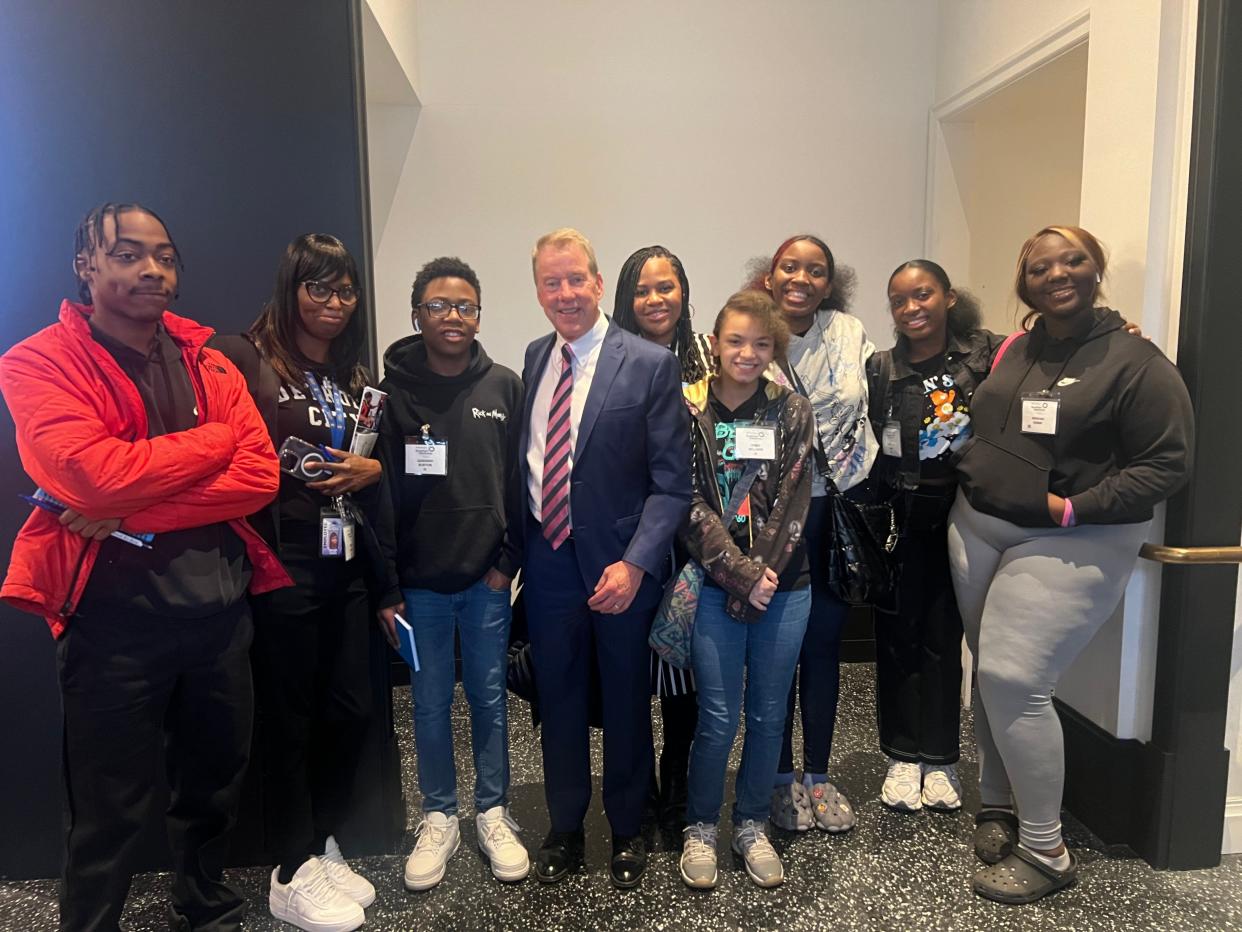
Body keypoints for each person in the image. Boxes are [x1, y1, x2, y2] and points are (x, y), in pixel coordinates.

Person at [0, 203, 287, 931]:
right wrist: (212, 443)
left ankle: (204, 905)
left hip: (219, 616)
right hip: (110, 626)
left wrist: (131, 510)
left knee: (214, 787)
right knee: (107, 809)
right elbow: (89, 478)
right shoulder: (37, 362)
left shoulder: (211, 360)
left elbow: (258, 477)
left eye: (163, 256)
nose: (152, 269)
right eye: (127, 254)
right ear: (85, 266)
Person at [947, 225, 1193, 904]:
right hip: (978, 524)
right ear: (1025, 282)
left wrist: (1073, 507)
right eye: (1040, 266)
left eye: (1072, 260)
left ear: (1096, 268)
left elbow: (1168, 465)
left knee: (1011, 675)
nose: (1057, 273)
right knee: (986, 668)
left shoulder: (1136, 360)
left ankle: (1045, 849)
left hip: (1069, 537)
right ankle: (997, 802)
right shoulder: (1018, 347)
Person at [215, 234, 396, 932]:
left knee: (347, 712)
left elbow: (375, 465)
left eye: (344, 290)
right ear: (290, 287)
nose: (333, 303)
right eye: (317, 288)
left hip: (345, 566)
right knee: (287, 721)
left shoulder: (354, 377)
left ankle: (321, 845)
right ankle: (288, 870)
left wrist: (374, 472)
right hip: (280, 568)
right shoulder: (246, 360)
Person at [519, 228, 690, 889]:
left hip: (622, 568)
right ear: (538, 291)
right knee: (556, 700)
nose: (565, 293)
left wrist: (638, 562)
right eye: (550, 282)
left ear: (596, 283)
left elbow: (671, 483)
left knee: (624, 699)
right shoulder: (535, 358)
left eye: (574, 279)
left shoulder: (647, 363)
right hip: (550, 563)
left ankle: (627, 826)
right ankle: (564, 826)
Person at [374, 256, 528, 890]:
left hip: (486, 582)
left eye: (465, 306)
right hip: (419, 588)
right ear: (417, 315)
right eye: (438, 305)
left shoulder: (504, 386)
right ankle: (439, 815)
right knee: (432, 705)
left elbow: (524, 481)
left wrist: (507, 564)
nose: (453, 317)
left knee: (490, 699)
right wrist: (387, 588)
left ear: (479, 314)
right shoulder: (389, 397)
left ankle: (492, 809)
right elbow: (374, 495)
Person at [676, 290, 815, 890]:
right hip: (715, 586)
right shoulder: (689, 410)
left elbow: (794, 501)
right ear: (714, 342)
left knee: (767, 715)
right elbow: (687, 501)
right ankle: (701, 825)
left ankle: (752, 823)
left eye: (762, 343)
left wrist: (762, 578)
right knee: (717, 714)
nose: (748, 353)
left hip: (786, 586)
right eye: (736, 340)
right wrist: (739, 576)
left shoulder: (792, 410)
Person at [865, 260, 1000, 812]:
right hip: (901, 514)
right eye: (899, 300)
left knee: (945, 637)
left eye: (923, 295)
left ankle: (941, 758)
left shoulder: (985, 357)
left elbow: (1048, 342)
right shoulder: (880, 368)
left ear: (947, 297)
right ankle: (901, 753)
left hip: (963, 512)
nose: (911, 307)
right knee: (896, 635)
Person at [750, 235, 873, 834]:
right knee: (773, 652)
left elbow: (914, 367)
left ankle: (818, 776)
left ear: (830, 282)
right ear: (769, 276)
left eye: (816, 270)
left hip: (831, 510)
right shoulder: (748, 330)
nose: (802, 278)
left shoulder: (849, 335)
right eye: (790, 267)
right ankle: (776, 780)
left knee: (822, 645)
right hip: (767, 519)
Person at [611, 244, 712, 834]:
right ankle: (637, 795)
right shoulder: (611, 359)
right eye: (643, 290)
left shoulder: (708, 358)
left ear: (684, 292)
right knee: (630, 680)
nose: (655, 299)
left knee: (685, 679)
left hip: (699, 546)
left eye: (666, 287)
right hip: (633, 542)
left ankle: (677, 794)